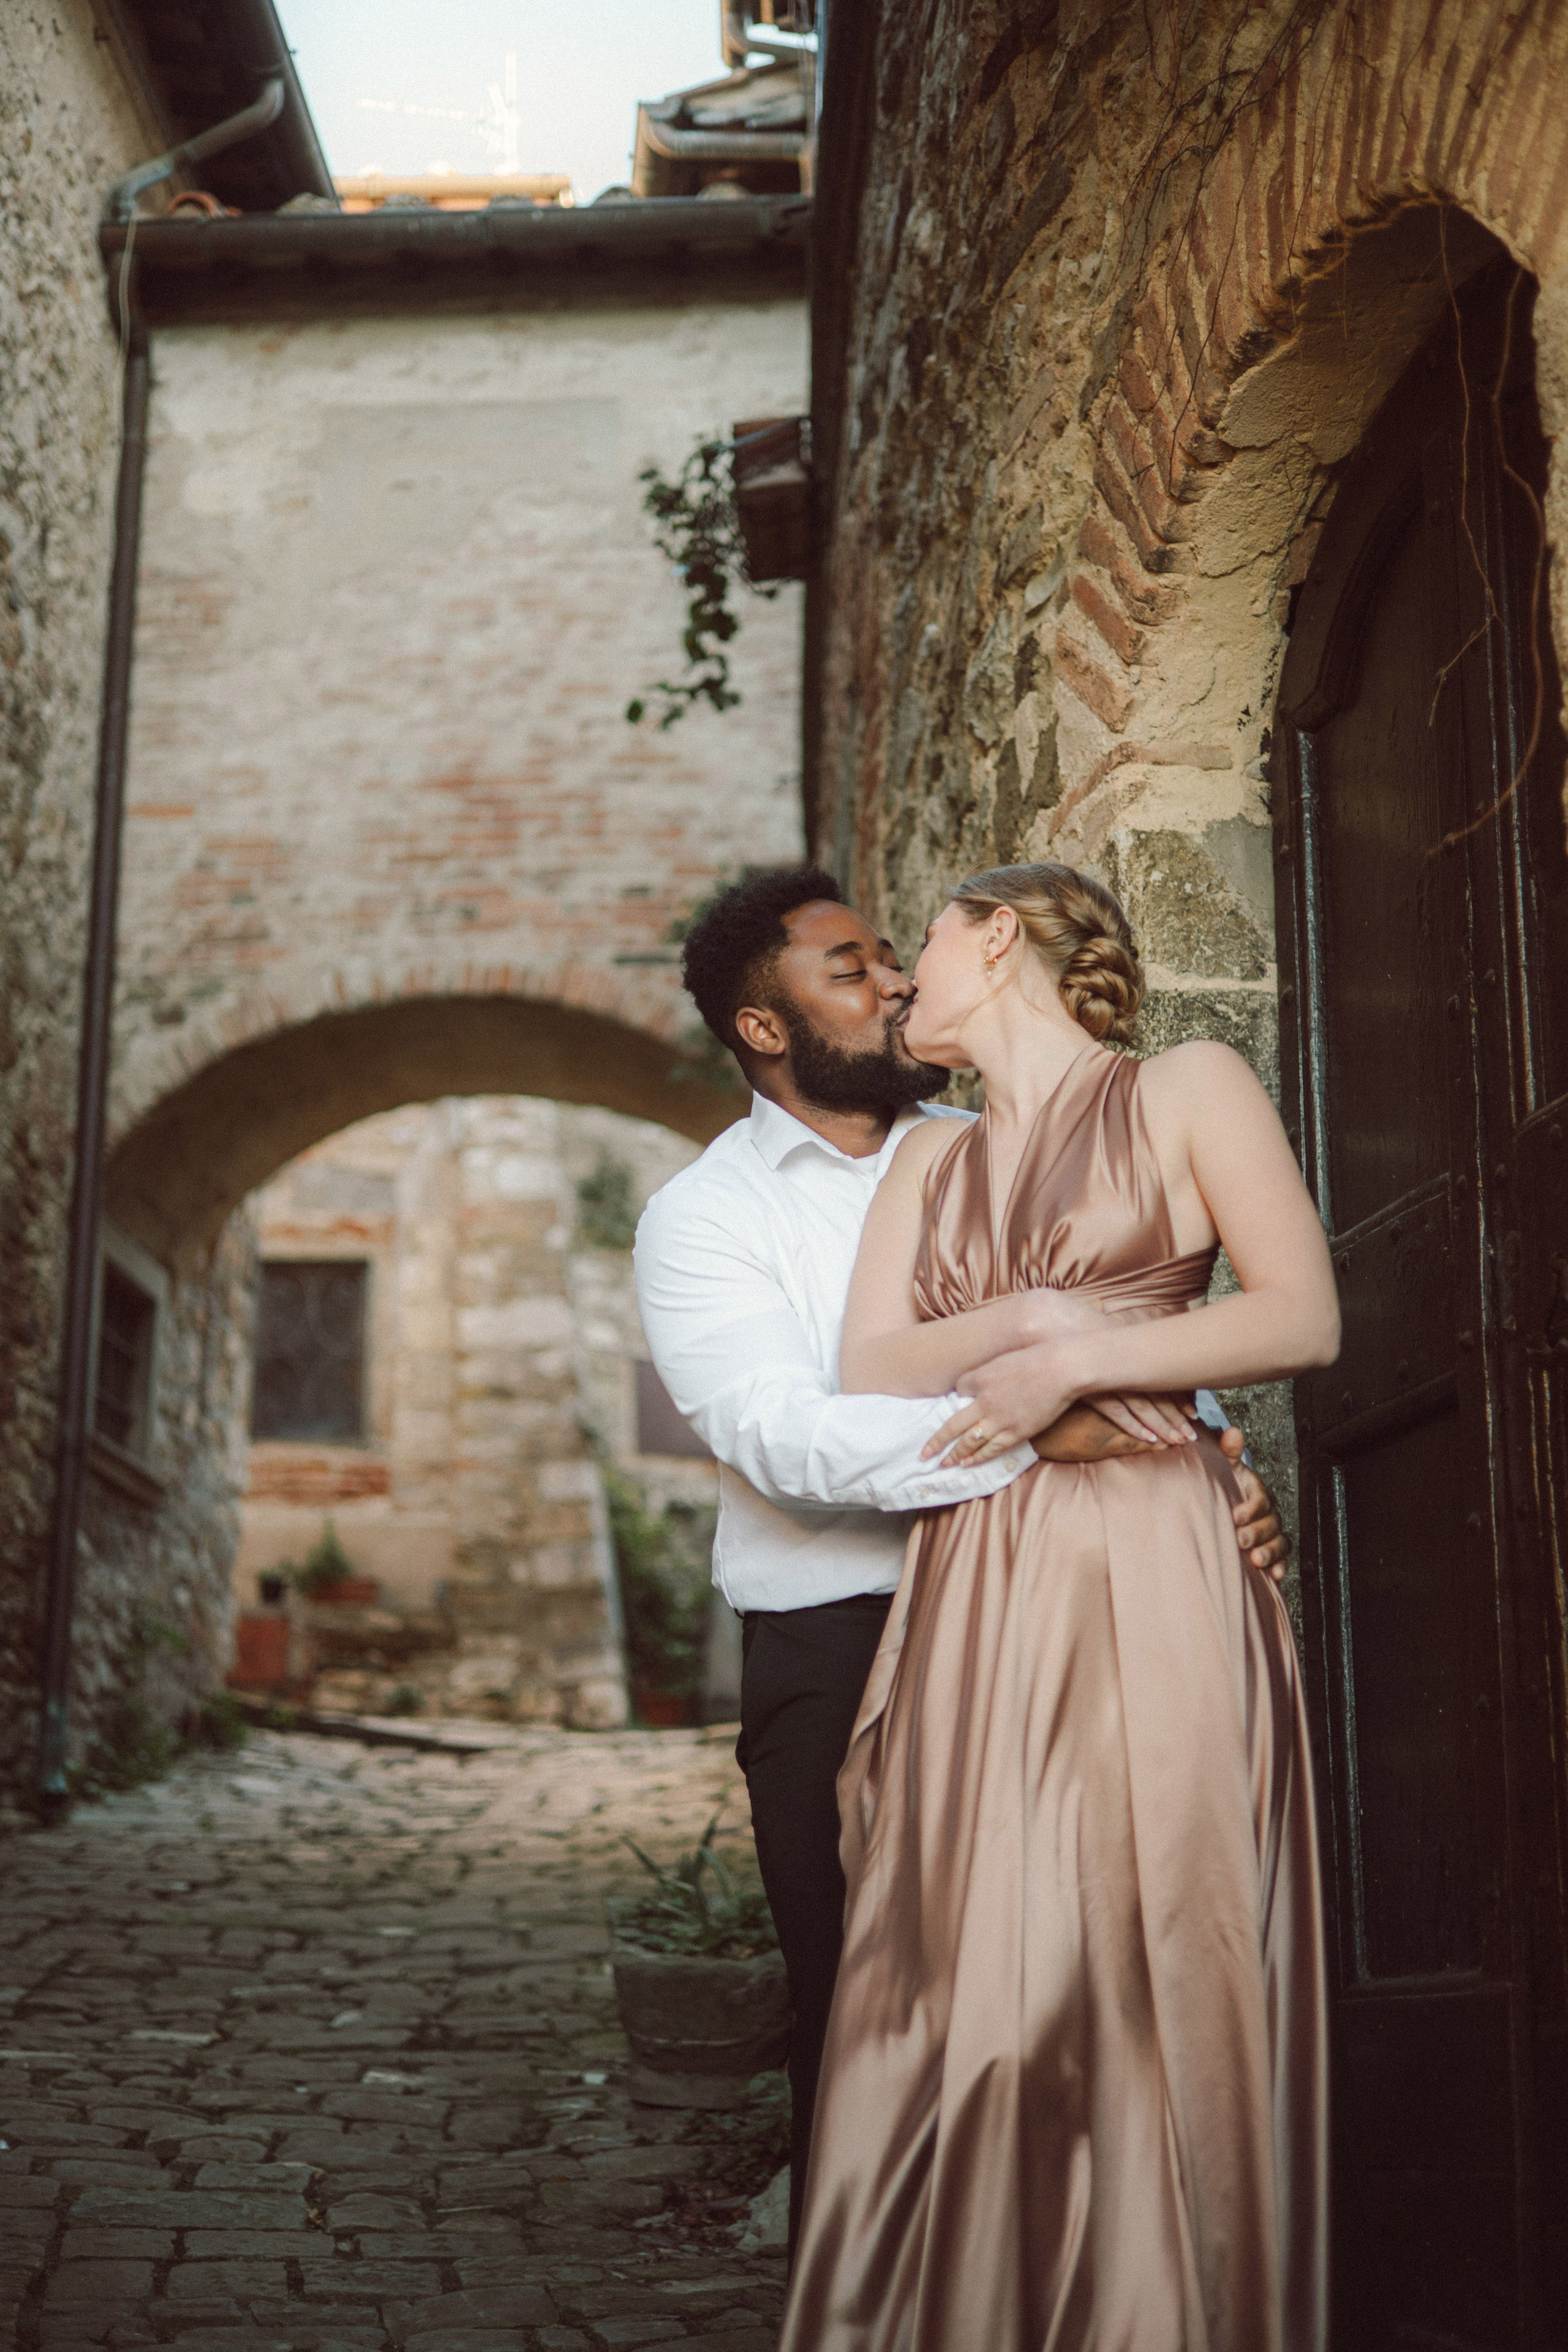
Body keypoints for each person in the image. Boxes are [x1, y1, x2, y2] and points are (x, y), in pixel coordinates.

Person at [633, 866, 1292, 2256]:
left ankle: (1108, 2266)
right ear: (764, 1029)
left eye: (890, 955)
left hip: (1059, 1589)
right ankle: (871, 2280)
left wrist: (1210, 1463)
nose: (884, 982)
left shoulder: (995, 1134)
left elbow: (1147, 1317)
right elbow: (784, 1435)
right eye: (843, 968)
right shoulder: (706, 1216)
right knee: (868, 1995)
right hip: (838, 1622)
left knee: (1082, 1963)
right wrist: (1045, 1437)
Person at [779, 862, 1334, 2352]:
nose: (899, 983)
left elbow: (1300, 1313)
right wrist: (1035, 1336)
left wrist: (1073, 1371)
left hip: (1156, 1550)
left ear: (1000, 935)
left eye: (923, 949)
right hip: (982, 1575)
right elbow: (867, 1368)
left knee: (1156, 1934)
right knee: (968, 1955)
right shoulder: (923, 1163)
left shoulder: (1185, 1087)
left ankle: (1167, 2307)